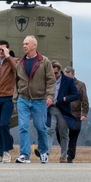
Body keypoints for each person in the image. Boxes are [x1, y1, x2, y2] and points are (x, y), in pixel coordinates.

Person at [15, 36, 55, 164]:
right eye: (23, 44)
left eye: (27, 44)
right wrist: (15, 100)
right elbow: (16, 83)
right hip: (23, 99)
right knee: (23, 126)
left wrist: (50, 96)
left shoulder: (44, 61)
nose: (24, 46)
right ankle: (24, 154)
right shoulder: (20, 63)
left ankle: (43, 152)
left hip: (39, 99)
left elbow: (51, 80)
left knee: (40, 127)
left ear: (34, 46)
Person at [45, 61, 80, 163]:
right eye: (52, 73)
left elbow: (76, 95)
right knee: (50, 130)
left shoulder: (68, 81)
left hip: (63, 109)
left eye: (56, 73)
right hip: (51, 108)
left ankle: (63, 156)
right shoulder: (48, 80)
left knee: (63, 133)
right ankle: (46, 154)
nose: (54, 75)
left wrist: (65, 99)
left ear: (60, 71)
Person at [64, 66, 89, 163]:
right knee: (60, 132)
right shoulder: (62, 84)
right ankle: (64, 150)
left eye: (69, 76)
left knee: (74, 133)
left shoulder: (80, 85)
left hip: (76, 113)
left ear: (73, 75)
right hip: (64, 112)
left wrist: (84, 113)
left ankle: (70, 156)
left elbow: (85, 100)